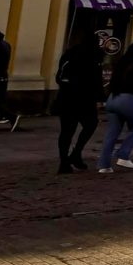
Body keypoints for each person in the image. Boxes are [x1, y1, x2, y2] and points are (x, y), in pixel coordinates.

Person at [54, 33, 104, 174]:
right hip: (84, 99)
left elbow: (59, 76)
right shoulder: (95, 55)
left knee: (67, 132)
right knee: (90, 124)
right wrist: (100, 98)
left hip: (67, 98)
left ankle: (65, 161)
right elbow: (97, 79)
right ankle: (75, 153)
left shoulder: (70, 54)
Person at [97, 41, 133, 174]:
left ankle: (104, 165)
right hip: (128, 98)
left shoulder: (120, 63)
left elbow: (111, 82)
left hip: (112, 99)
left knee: (111, 133)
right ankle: (123, 155)